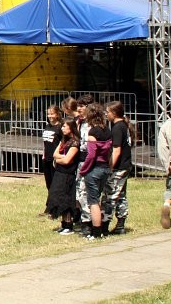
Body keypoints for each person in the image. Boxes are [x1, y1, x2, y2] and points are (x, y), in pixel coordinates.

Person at [78, 102, 112, 240]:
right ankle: (103, 228)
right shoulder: (107, 131)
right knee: (101, 198)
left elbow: (91, 154)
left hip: (94, 169)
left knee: (93, 201)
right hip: (105, 168)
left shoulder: (93, 132)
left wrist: (84, 170)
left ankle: (96, 232)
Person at [102, 101, 134, 235]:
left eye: (107, 112)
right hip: (125, 166)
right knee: (121, 196)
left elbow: (116, 151)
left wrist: (110, 167)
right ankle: (121, 224)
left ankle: (104, 225)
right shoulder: (123, 126)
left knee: (110, 196)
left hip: (119, 167)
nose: (106, 114)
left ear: (114, 113)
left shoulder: (117, 128)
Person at [46, 117, 81, 235]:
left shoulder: (75, 142)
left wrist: (59, 160)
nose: (62, 128)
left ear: (71, 128)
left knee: (66, 198)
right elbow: (55, 154)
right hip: (59, 173)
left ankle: (69, 225)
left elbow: (68, 161)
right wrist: (60, 158)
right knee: (57, 196)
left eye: (65, 126)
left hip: (68, 174)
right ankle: (63, 224)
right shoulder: (63, 140)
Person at [73, 94, 94, 236]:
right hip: (80, 161)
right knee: (79, 193)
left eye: (82, 106)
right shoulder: (79, 122)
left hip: (90, 161)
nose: (79, 109)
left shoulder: (94, 123)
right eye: (78, 106)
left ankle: (88, 224)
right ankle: (83, 219)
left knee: (85, 193)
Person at [39, 105, 63, 216]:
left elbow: (62, 144)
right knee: (49, 184)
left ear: (57, 114)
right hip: (46, 159)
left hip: (56, 159)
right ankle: (49, 207)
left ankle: (55, 209)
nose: (50, 116)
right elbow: (46, 143)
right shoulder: (47, 126)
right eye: (48, 114)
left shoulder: (61, 127)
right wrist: (44, 154)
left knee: (55, 185)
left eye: (52, 113)